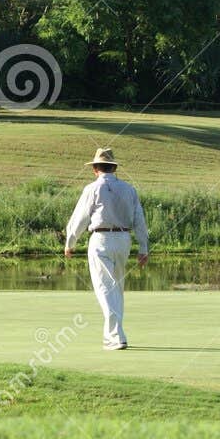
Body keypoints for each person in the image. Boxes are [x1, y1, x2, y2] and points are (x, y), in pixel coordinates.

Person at [64, 146, 148, 350]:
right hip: (124, 240)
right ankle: (113, 334)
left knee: (104, 288)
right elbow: (139, 220)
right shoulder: (129, 189)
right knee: (116, 289)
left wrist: (70, 243)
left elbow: (80, 219)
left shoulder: (92, 189)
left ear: (95, 169)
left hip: (101, 239)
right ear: (114, 168)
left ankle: (116, 336)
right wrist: (143, 247)